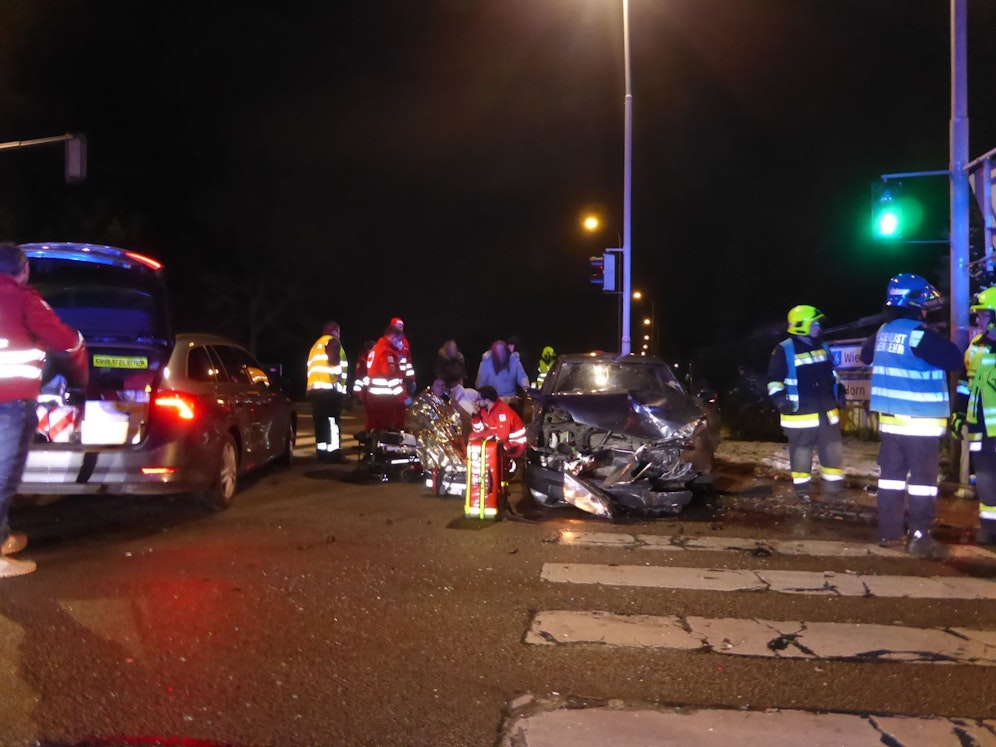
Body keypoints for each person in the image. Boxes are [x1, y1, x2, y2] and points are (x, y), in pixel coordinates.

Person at [0, 243, 88, 578]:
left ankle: (3, 535)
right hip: (10, 403)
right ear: (22, 271)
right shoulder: (25, 299)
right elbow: (65, 341)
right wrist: (81, 363)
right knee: (2, 478)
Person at [860, 273, 963, 557]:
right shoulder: (920, 334)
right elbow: (954, 359)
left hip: (891, 426)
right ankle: (920, 537)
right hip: (921, 425)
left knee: (890, 480)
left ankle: (889, 534)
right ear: (914, 301)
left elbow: (865, 356)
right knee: (922, 484)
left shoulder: (883, 332)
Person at [766, 305, 846, 501]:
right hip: (799, 414)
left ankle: (834, 490)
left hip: (826, 412)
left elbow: (832, 375)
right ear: (801, 326)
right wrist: (780, 400)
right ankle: (802, 492)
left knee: (833, 450)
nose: (819, 326)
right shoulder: (784, 350)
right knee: (802, 452)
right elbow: (773, 381)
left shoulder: (822, 345)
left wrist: (840, 393)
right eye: (814, 323)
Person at [951, 286, 996, 546]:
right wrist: (958, 413)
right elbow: (965, 384)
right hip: (980, 427)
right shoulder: (975, 348)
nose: (978, 321)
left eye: (983, 315)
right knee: (986, 476)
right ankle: (989, 528)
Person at [306, 321, 348, 462]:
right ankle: (334, 453)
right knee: (332, 422)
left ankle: (322, 452)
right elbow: (334, 364)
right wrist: (339, 378)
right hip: (329, 391)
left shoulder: (315, 346)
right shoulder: (333, 342)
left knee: (320, 422)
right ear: (335, 332)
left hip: (315, 391)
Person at [364, 324, 408, 431]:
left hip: (373, 396)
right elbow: (391, 378)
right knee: (386, 429)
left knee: (378, 427)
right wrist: (403, 397)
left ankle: (376, 446)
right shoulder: (386, 352)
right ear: (393, 337)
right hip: (384, 398)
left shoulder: (376, 349)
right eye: (399, 339)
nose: (400, 343)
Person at [471, 385, 527, 467]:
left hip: (515, 445)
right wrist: (475, 415)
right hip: (499, 440)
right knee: (473, 438)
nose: (476, 401)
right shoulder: (484, 411)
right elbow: (478, 430)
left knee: (492, 450)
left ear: (487, 400)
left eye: (479, 399)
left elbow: (502, 437)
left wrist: (486, 439)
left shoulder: (502, 412)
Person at [390, 317, 416, 397]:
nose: (400, 328)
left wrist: (412, 379)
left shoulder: (405, 343)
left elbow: (408, 363)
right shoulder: (387, 341)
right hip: (389, 381)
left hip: (402, 381)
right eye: (398, 326)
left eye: (401, 326)